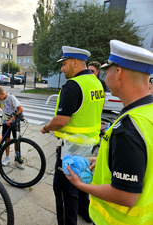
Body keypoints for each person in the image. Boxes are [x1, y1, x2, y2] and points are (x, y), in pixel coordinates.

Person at [66, 40, 153, 225]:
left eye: (107, 71)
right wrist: (107, 160)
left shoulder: (129, 129)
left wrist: (81, 185)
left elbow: (126, 196)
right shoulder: (147, 111)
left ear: (119, 72)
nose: (105, 76)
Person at [40, 46, 104, 225]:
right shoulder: (96, 82)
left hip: (70, 147)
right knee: (83, 181)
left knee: (64, 189)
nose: (62, 68)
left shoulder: (73, 85)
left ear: (75, 62)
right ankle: (86, 213)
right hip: (89, 145)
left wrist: (46, 127)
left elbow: (61, 120)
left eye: (65, 64)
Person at [0, 85, 24, 168]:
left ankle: (17, 158)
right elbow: (0, 104)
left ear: (3, 93)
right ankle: (7, 157)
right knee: (7, 140)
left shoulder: (12, 98)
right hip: (5, 122)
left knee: (16, 140)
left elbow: (20, 110)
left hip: (14, 122)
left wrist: (11, 119)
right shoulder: (1, 98)